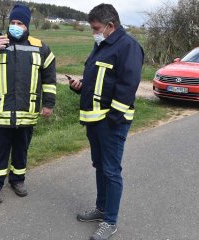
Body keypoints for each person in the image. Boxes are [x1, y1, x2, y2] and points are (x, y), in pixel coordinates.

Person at [69, 4, 144, 240]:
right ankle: (101, 208)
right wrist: (80, 86)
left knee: (111, 171)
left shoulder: (128, 46)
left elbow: (127, 87)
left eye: (96, 28)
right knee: (100, 166)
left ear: (111, 26)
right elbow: (99, 81)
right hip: (95, 120)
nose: (95, 32)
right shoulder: (102, 45)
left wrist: (112, 119)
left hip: (111, 123)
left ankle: (110, 221)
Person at [0, 4, 56, 204]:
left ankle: (17, 181)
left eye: (20, 23)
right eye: (13, 22)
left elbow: (49, 79)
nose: (15, 26)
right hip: (1, 112)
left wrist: (49, 104)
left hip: (27, 113)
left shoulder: (41, 48)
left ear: (27, 26)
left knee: (21, 150)